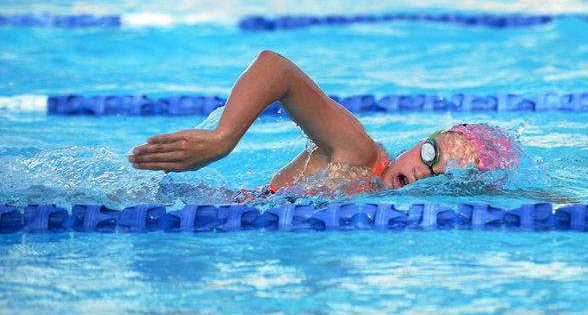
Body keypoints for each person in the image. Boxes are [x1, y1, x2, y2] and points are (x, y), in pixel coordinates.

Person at [128, 50, 519, 196]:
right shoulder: (361, 153)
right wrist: (222, 138)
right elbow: (276, 68)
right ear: (421, 142)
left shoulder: (374, 192)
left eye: (440, 176)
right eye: (431, 154)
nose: (421, 171)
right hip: (199, 202)